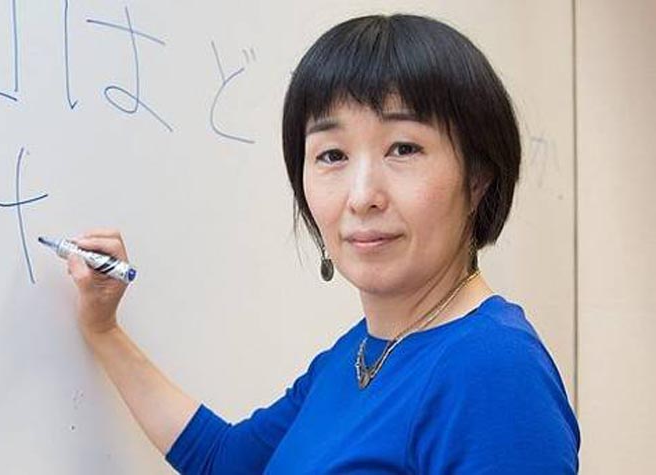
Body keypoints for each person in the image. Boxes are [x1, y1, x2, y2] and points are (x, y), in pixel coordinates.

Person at [63, 14, 580, 474]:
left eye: (404, 148)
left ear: (479, 178)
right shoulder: (357, 355)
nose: (362, 196)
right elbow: (227, 460)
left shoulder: (493, 370)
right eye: (331, 155)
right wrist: (104, 329)